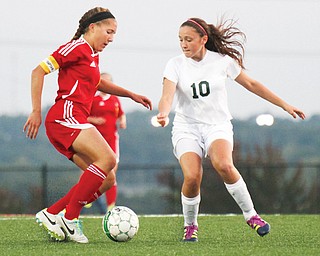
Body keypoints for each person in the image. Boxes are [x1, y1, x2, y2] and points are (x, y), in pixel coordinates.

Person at [156, 17, 305, 242]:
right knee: (192, 176)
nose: (183, 44)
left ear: (203, 39)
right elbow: (167, 96)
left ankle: (251, 215)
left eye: (188, 39)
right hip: (187, 127)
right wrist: (164, 113)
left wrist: (284, 104)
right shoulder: (175, 64)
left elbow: (252, 84)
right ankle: (190, 225)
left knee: (224, 164)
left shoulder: (222, 61)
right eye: (180, 40)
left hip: (217, 125)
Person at [23, 7, 152, 244]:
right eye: (109, 32)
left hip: (72, 121)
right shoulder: (76, 47)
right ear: (92, 27)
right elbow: (37, 72)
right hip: (65, 117)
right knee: (109, 159)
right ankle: (70, 219)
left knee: (107, 178)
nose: (111, 38)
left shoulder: (92, 53)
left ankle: (52, 214)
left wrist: (130, 94)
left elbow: (97, 82)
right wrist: (35, 111)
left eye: (114, 34)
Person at [86, 72, 126, 213]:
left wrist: (122, 121)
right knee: (91, 170)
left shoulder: (114, 99)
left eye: (109, 82)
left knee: (112, 172)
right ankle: (86, 197)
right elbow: (82, 116)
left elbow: (121, 114)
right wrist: (94, 120)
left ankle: (111, 207)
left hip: (111, 139)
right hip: (94, 140)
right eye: (104, 81)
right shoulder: (92, 98)